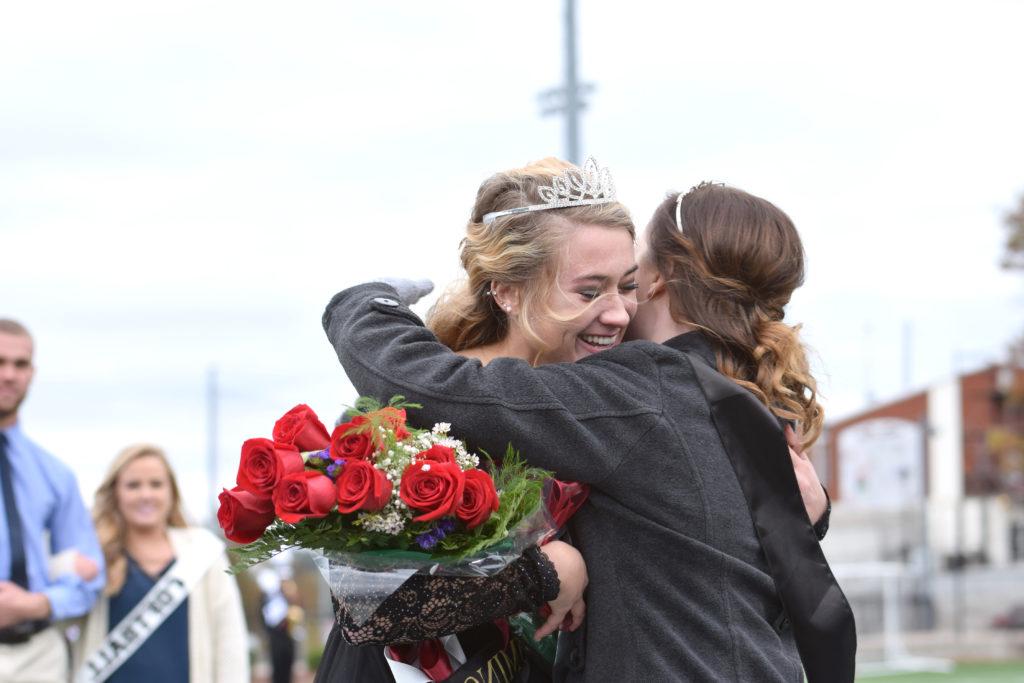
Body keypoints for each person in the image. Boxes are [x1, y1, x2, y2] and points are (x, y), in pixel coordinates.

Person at [320, 161, 856, 682]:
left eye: (628, 283)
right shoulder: (708, 393)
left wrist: (363, 306)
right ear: (506, 290)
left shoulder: (635, 394)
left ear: (660, 283)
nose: (620, 311)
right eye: (589, 289)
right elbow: (365, 603)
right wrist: (544, 574)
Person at [73, 444, 250, 683]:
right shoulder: (95, 556)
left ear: (172, 492)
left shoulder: (204, 552)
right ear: (115, 492)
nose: (146, 494)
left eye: (156, 484)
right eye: (133, 485)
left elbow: (229, 641)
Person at [0, 318, 105, 682]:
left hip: (38, 657)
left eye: (20, 364)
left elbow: (91, 576)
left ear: (32, 372)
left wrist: (36, 604)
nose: (9, 374)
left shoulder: (55, 475)